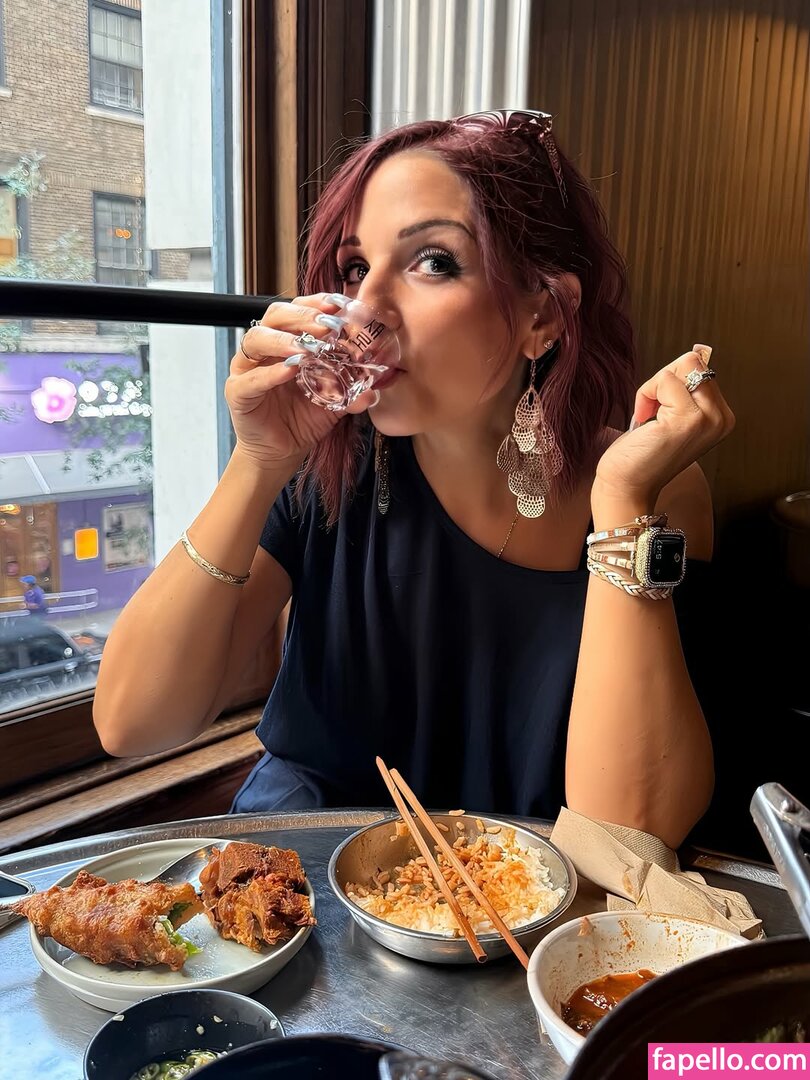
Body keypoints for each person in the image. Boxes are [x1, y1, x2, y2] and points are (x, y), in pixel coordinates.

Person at [94, 110, 734, 849]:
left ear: (544, 314)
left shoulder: (651, 491)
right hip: (303, 884)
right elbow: (132, 723)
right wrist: (258, 460)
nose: (366, 309)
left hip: (525, 897)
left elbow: (631, 835)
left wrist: (622, 506)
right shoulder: (323, 469)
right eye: (354, 268)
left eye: (432, 261)